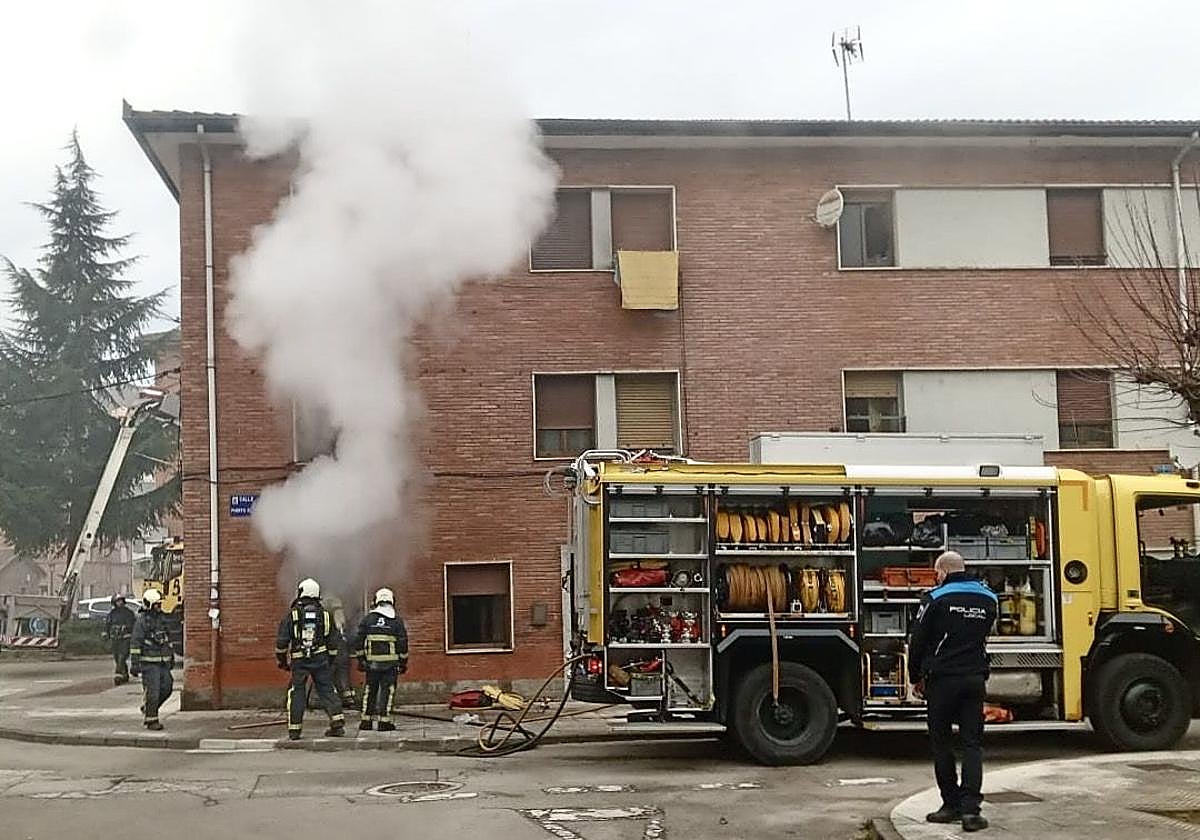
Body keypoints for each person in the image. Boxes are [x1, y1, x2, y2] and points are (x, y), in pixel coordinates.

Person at [908, 551, 998, 833]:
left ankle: (950, 805)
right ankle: (972, 812)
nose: (936, 578)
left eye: (937, 573)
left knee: (942, 743)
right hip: (973, 679)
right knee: (972, 745)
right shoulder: (989, 598)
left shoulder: (935, 598)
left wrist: (915, 676)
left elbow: (918, 640)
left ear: (944, 572)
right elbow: (986, 634)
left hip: (942, 680)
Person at [275, 578, 346, 740]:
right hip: (321, 659)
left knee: (297, 692)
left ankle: (294, 730)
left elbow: (282, 642)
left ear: (301, 592)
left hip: (299, 661)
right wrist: (331, 659)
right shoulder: (326, 615)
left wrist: (282, 661)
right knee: (327, 689)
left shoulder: (292, 615)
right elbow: (333, 641)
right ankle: (337, 723)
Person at [352, 587, 409, 732]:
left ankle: (366, 721)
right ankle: (384, 722)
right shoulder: (396, 621)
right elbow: (402, 643)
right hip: (390, 665)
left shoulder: (368, 619)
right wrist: (403, 662)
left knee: (370, 690)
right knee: (387, 691)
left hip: (371, 665)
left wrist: (361, 659)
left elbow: (358, 640)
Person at [129, 588, 174, 731]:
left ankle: (148, 708)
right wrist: (135, 664)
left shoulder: (162, 619)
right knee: (153, 692)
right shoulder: (142, 622)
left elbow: (167, 640)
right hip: (148, 663)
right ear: (149, 605)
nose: (158, 607)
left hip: (163, 662)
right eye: (156, 605)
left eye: (159, 604)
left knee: (167, 688)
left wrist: (170, 657)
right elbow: (135, 643)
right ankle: (151, 720)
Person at [102, 594, 137, 685]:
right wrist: (106, 633)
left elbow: (133, 624)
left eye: (121, 600)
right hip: (115, 639)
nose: (119, 603)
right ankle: (124, 674)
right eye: (117, 601)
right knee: (117, 658)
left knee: (122, 656)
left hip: (125, 638)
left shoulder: (128, 613)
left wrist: (125, 628)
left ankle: (118, 674)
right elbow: (107, 625)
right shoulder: (112, 614)